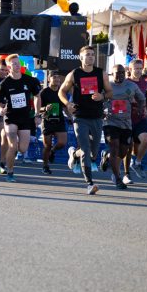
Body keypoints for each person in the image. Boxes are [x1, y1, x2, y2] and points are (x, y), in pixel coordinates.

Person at [59, 45, 113, 195]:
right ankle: (90, 183)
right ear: (81, 58)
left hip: (96, 116)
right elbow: (61, 91)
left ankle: (73, 154)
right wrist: (68, 104)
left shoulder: (101, 73)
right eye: (87, 55)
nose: (90, 57)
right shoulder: (74, 74)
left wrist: (102, 96)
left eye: (92, 55)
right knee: (86, 148)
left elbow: (109, 92)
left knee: (93, 153)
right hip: (80, 116)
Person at [0, 54, 42, 182]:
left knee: (22, 148)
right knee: (13, 145)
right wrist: (0, 110)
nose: (17, 65)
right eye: (14, 63)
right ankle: (10, 172)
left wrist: (37, 114)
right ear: (9, 67)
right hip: (10, 117)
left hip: (25, 117)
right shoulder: (4, 84)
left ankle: (9, 161)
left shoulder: (29, 80)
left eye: (18, 63)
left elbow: (37, 96)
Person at [99, 64, 146, 189]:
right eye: (116, 73)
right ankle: (118, 179)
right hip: (110, 121)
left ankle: (107, 156)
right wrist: (101, 111)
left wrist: (141, 108)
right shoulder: (106, 86)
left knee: (123, 151)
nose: (119, 75)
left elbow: (142, 99)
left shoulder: (131, 86)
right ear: (112, 74)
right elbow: (98, 99)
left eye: (121, 73)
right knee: (114, 147)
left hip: (126, 123)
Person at [37, 71, 68, 175]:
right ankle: (45, 166)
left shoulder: (61, 92)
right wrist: (45, 108)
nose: (57, 79)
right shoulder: (44, 92)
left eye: (58, 77)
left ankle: (53, 152)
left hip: (59, 120)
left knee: (62, 143)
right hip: (47, 120)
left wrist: (72, 117)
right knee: (47, 145)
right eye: (54, 77)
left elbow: (65, 107)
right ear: (49, 79)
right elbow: (38, 109)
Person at [126, 59, 147, 179]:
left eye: (140, 68)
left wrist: (146, 109)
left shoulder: (144, 83)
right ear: (130, 70)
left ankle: (137, 163)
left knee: (145, 140)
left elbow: (146, 99)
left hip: (141, 118)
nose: (139, 71)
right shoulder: (125, 82)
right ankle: (109, 157)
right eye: (136, 68)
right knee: (128, 148)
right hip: (126, 119)